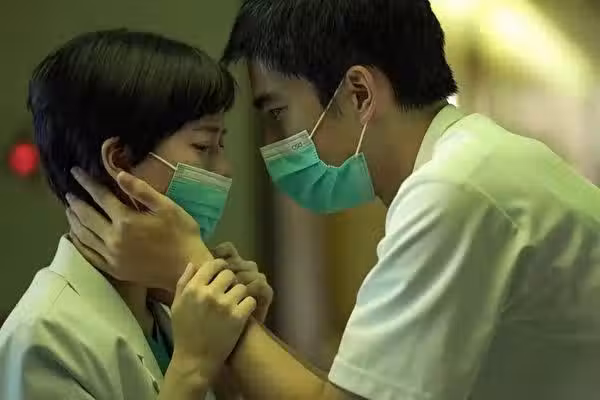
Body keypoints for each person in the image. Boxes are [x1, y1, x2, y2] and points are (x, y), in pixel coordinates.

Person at [66, 1, 600, 399]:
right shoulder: (475, 163)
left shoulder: (453, 192)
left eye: (278, 114)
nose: (271, 147)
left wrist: (195, 272)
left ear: (359, 94)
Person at [0, 29, 267, 400]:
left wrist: (234, 359)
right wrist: (192, 366)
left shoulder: (168, 313)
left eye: (221, 144)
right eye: (204, 145)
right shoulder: (43, 336)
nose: (225, 168)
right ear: (120, 161)